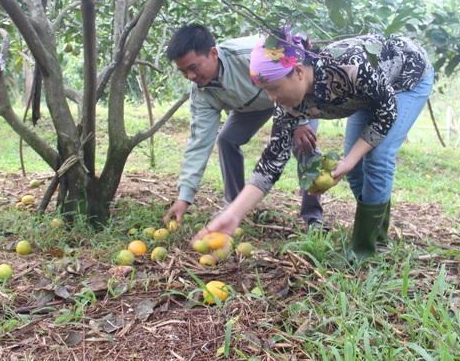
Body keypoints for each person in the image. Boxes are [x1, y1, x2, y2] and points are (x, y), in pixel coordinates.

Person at [192, 25, 434, 262]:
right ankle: (375, 225)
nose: (272, 98)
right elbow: (271, 163)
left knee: (376, 156)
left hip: (407, 78)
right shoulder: (287, 104)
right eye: (265, 90)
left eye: (274, 88)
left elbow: (386, 113)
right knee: (355, 172)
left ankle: (369, 247)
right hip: (369, 93)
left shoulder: (351, 67)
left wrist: (349, 160)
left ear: (298, 71)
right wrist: (233, 215)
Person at [162, 24, 325, 230]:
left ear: (213, 53)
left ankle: (313, 217)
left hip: (290, 97)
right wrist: (184, 197)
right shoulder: (202, 93)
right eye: (183, 71)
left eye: (193, 67)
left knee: (303, 144)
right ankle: (234, 207)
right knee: (227, 139)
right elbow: (198, 143)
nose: (190, 76)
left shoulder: (250, 54)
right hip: (251, 106)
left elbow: (294, 57)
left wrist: (302, 117)